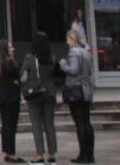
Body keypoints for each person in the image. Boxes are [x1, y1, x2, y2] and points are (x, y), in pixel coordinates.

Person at [21, 31, 58, 164]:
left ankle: (39, 155)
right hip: (50, 93)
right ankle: (52, 154)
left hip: (34, 94)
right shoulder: (52, 58)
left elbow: (22, 76)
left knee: (36, 124)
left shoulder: (29, 58)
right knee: (49, 124)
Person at [60, 29, 95, 164]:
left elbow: (73, 70)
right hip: (86, 90)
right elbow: (90, 71)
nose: (66, 42)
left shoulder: (73, 52)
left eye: (68, 39)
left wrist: (63, 64)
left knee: (80, 123)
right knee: (86, 122)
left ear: (72, 39)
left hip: (76, 91)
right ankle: (89, 155)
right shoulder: (86, 52)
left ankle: (84, 155)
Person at [0, 39, 25, 163]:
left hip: (2, 96)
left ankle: (7, 151)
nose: (13, 49)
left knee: (5, 125)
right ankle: (11, 153)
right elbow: (19, 76)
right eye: (10, 47)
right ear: (5, 50)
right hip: (11, 97)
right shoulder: (10, 62)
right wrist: (17, 81)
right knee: (11, 125)